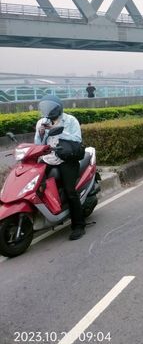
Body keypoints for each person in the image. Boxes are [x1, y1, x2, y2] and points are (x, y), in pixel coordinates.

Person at [35, 95, 87, 240]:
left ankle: (79, 225)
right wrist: (40, 133)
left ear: (58, 109)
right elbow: (37, 144)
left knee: (70, 191)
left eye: (51, 109)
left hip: (66, 158)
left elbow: (77, 139)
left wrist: (58, 130)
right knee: (35, 186)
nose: (48, 112)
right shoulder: (42, 122)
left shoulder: (70, 120)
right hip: (48, 158)